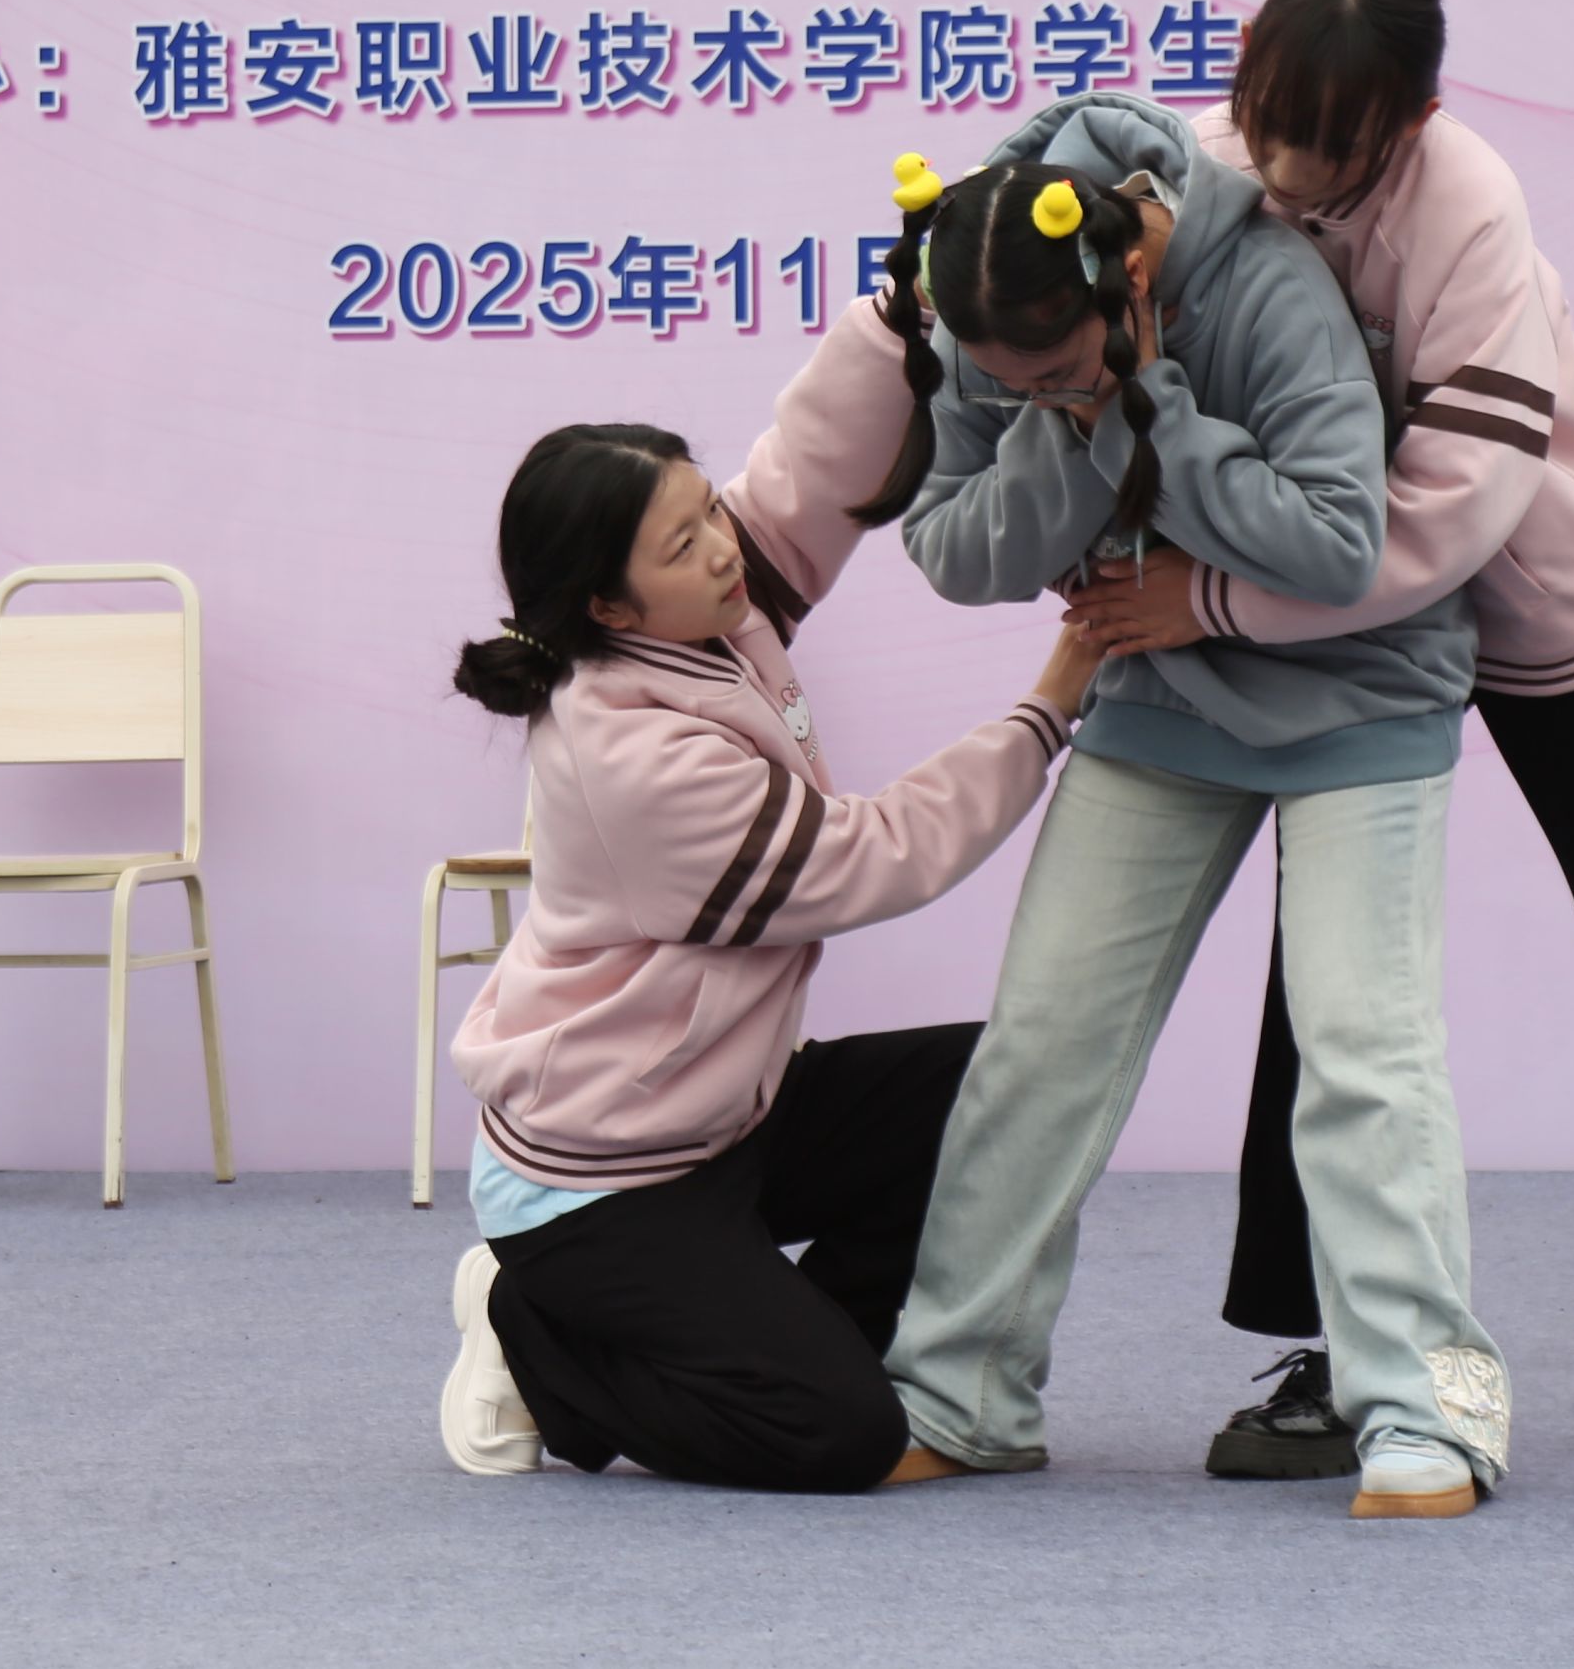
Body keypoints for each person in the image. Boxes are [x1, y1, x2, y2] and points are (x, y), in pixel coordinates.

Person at [1065, 0, 1574, 1470]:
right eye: (1269, 125)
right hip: (1335, 623)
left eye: (1332, 149)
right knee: (1327, 975)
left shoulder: (1469, 202)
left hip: (1528, 597)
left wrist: (1210, 597)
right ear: (1244, 71)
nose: (1286, 172)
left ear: (1414, 118)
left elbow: (1452, 512)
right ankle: (1334, 1345)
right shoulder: (1192, 164)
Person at [868, 106, 1515, 1521]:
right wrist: (1072, 424)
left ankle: (1439, 1413)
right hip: (1160, 699)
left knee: (1365, 1059)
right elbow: (956, 550)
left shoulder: (1264, 284)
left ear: (1126, 281)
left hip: (1362, 695)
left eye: (1054, 366)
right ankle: (959, 1394)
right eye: (1001, 380)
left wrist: (1147, 407)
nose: (1025, 392)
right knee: (1042, 1042)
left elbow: (1339, 543)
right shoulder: (979, 298)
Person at [438, 382, 1103, 1492]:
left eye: (708, 509)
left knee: (1002, 1084)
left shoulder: (703, 615)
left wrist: (901, 321)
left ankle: (790, 1343)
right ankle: (536, 1338)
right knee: (838, 1437)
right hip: (603, 1183)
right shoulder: (636, 762)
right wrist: (1049, 706)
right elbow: (877, 854)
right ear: (608, 605)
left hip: (716, 1114)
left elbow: (810, 471)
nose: (720, 547)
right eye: (682, 542)